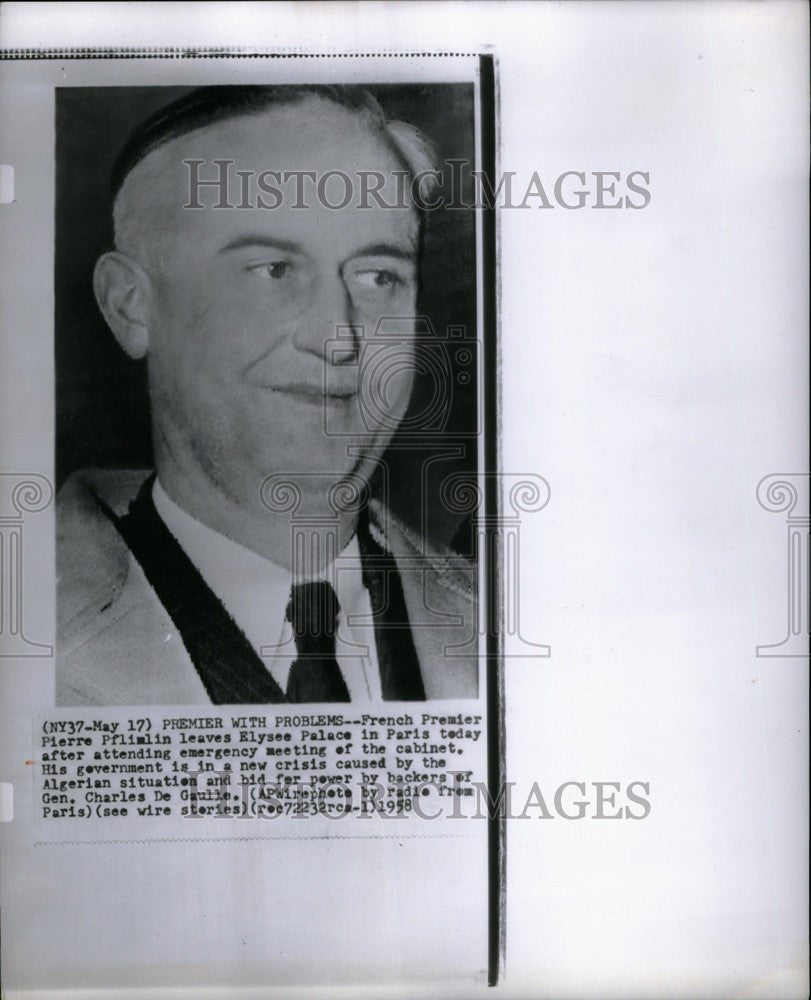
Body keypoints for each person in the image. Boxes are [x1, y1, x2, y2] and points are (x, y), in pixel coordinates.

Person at [56, 85, 478, 706]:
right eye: (273, 269)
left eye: (378, 276)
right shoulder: (32, 625)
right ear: (131, 306)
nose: (337, 338)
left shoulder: (513, 620)